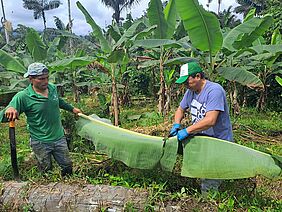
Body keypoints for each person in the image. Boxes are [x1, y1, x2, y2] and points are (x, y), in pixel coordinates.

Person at [1, 62, 82, 177]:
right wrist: (9, 109)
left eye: (47, 78)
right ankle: (45, 190)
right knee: (45, 169)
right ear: (31, 79)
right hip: (40, 141)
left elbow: (58, 101)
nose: (45, 81)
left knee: (67, 165)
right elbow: (5, 114)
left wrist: (72, 109)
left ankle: (68, 186)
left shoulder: (52, 88)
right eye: (41, 79)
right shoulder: (23, 96)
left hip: (59, 137)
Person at [169, 61, 233, 194]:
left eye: (187, 82)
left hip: (218, 141)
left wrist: (187, 130)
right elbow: (180, 109)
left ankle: (210, 203)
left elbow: (210, 120)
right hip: (203, 139)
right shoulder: (191, 91)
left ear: (198, 76)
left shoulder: (214, 91)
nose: (185, 86)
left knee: (210, 182)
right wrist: (177, 124)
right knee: (203, 172)